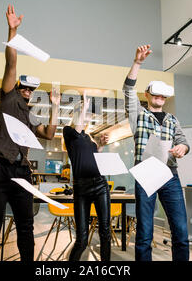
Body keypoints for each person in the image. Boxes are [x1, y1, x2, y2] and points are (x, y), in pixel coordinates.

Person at [0, 4, 61, 262]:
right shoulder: (8, 98)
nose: (26, 91)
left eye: (29, 90)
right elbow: (11, 62)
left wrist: (55, 107)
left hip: (21, 172)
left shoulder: (29, 114)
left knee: (26, 226)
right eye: (23, 87)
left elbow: (48, 133)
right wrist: (12, 31)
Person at [123, 45, 190, 261]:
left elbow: (183, 141)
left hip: (170, 174)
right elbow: (127, 89)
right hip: (146, 174)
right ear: (148, 95)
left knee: (180, 230)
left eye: (163, 95)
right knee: (144, 232)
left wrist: (183, 148)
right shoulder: (138, 115)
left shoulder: (172, 119)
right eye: (156, 94)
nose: (160, 97)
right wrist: (138, 63)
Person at [63, 91, 110, 261]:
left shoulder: (89, 138)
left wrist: (101, 145)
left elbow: (95, 158)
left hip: (100, 185)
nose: (88, 116)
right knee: (82, 239)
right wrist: (85, 105)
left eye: (89, 114)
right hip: (81, 187)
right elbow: (77, 131)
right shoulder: (69, 132)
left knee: (105, 232)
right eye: (85, 114)